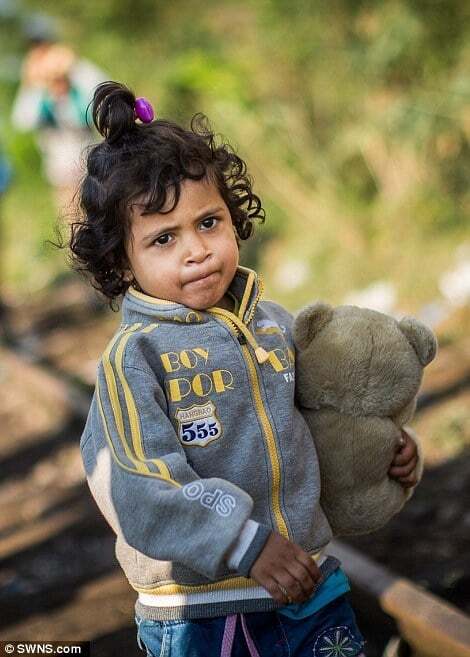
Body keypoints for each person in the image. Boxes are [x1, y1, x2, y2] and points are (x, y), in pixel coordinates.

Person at [70, 81, 419, 657]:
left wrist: (388, 451)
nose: (196, 250)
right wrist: (245, 544)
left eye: (208, 222)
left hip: (308, 587)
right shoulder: (135, 358)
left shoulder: (273, 326)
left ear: (233, 218)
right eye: (163, 238)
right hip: (204, 612)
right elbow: (139, 486)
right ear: (121, 262)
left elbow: (326, 426)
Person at [11, 38, 105, 213]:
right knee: (70, 218)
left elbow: (101, 92)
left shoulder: (78, 91)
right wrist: (35, 83)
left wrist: (74, 66)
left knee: (97, 213)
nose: (57, 83)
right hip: (60, 170)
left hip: (90, 164)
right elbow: (22, 120)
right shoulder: (42, 99)